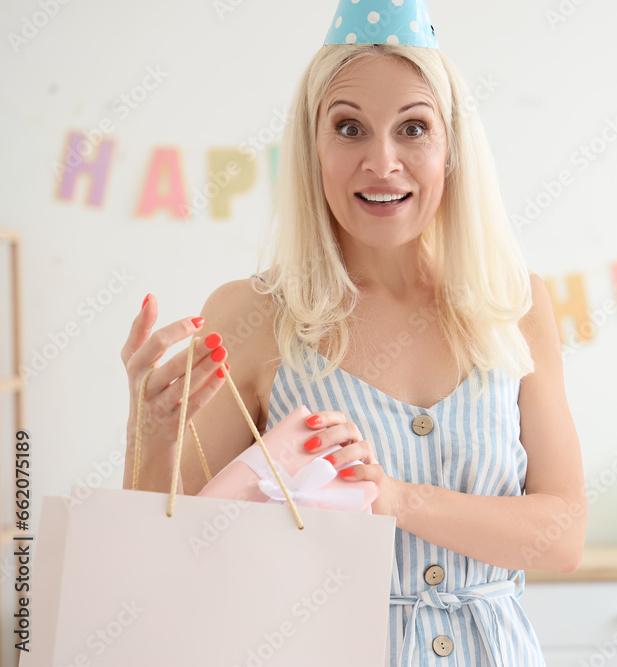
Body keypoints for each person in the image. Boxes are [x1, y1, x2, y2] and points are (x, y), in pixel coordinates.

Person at [120, 1, 585, 664]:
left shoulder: (514, 303)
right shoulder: (252, 319)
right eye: (349, 128)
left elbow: (563, 535)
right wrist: (152, 428)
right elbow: (166, 555)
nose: (383, 160)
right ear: (313, 147)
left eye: (413, 128)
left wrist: (398, 500)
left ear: (451, 146)